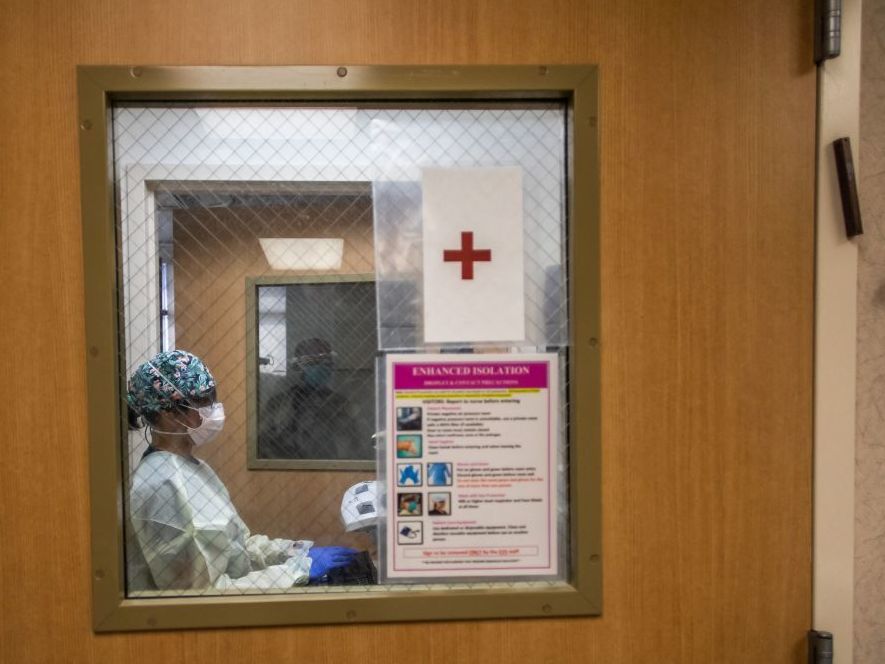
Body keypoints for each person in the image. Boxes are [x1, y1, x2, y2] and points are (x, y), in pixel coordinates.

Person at [126, 349, 356, 592]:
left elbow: (237, 547)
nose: (213, 408)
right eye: (203, 401)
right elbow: (201, 594)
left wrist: (294, 552)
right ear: (169, 414)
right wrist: (297, 571)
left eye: (212, 398)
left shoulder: (194, 468)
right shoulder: (163, 485)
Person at [259, 338, 365, 460]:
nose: (321, 366)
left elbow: (354, 446)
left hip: (333, 471)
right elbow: (263, 444)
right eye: (313, 361)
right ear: (299, 366)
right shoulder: (278, 404)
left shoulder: (342, 404)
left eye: (327, 361)